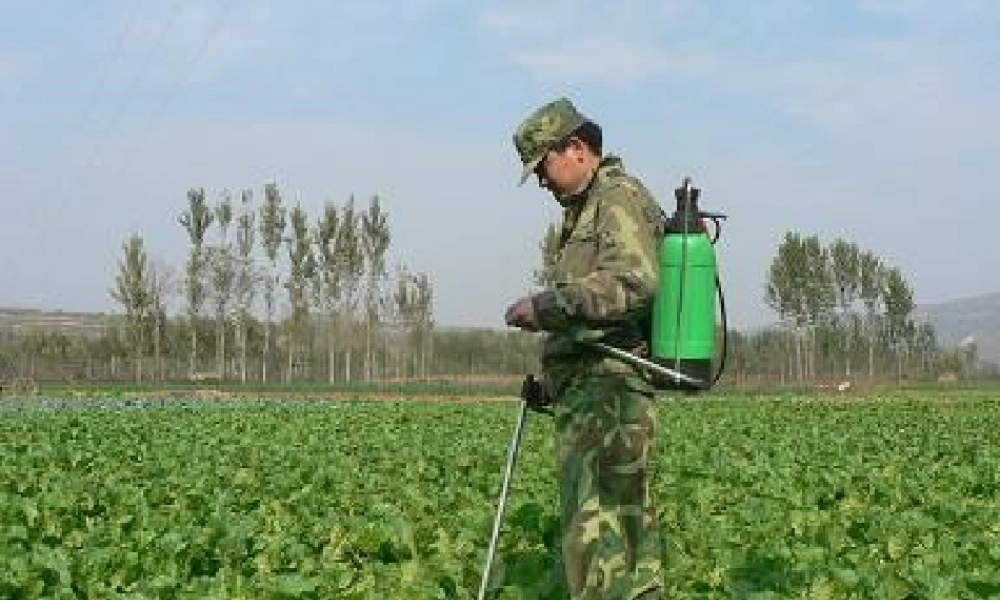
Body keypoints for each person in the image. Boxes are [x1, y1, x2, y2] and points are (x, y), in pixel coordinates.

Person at [504, 97, 667, 600]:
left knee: (602, 538)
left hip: (610, 397)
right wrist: (555, 382)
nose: (542, 181)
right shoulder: (586, 209)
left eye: (543, 166)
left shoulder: (616, 197)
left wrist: (547, 306)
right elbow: (593, 327)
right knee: (616, 532)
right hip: (592, 389)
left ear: (575, 148)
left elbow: (633, 284)